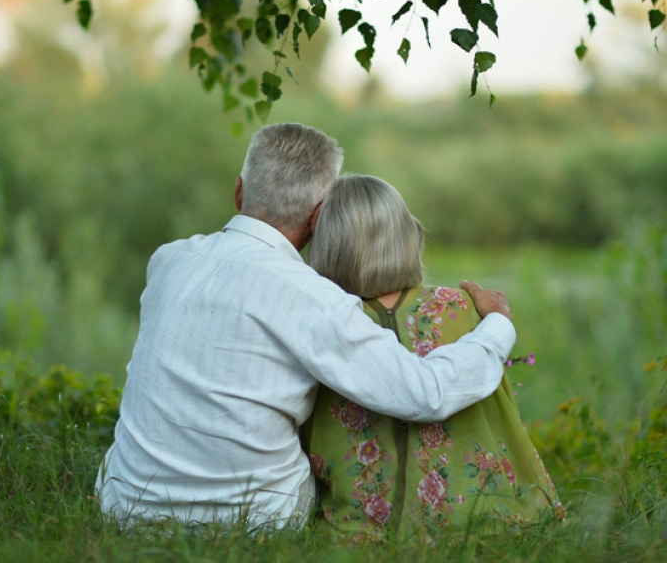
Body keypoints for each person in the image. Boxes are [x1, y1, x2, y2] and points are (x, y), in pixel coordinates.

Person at [94, 123, 518, 531]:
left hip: (125, 505)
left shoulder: (168, 261)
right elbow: (425, 393)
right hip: (254, 521)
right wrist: (497, 325)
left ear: (239, 190)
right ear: (318, 219)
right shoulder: (314, 300)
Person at [304, 174, 564, 541]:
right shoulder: (458, 308)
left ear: (328, 245)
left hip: (353, 529)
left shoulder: (324, 321)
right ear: (407, 235)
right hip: (472, 520)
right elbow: (502, 417)